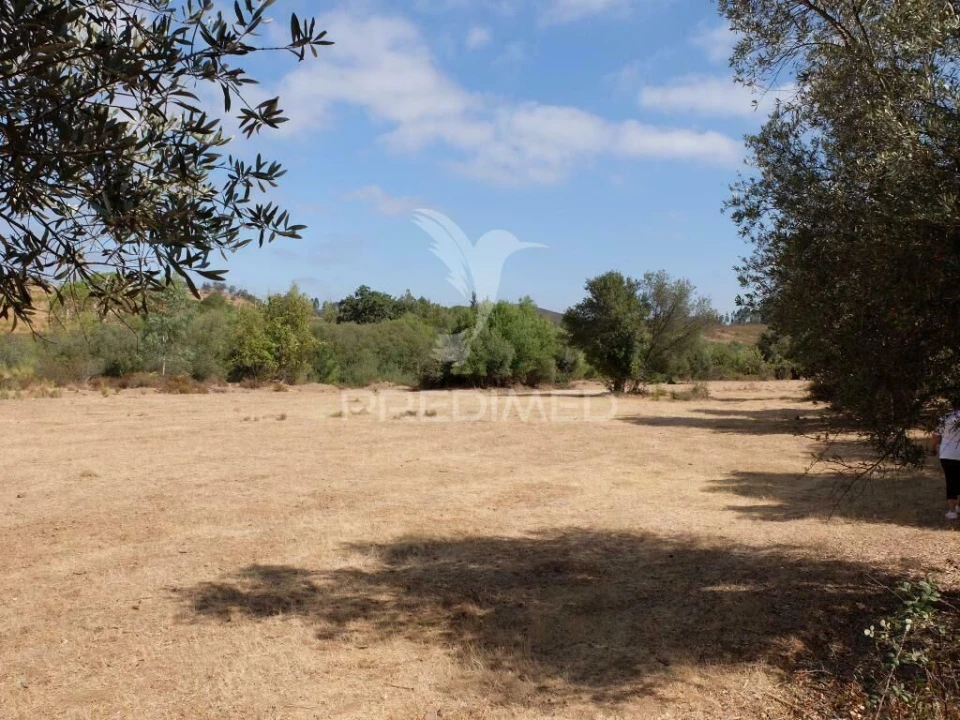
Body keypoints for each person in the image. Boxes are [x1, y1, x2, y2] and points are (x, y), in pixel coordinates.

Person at [932, 408, 960, 520]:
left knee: (951, 481)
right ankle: (959, 506)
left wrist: (933, 448)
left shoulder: (946, 418)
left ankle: (952, 511)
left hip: (947, 454)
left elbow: (935, 435)